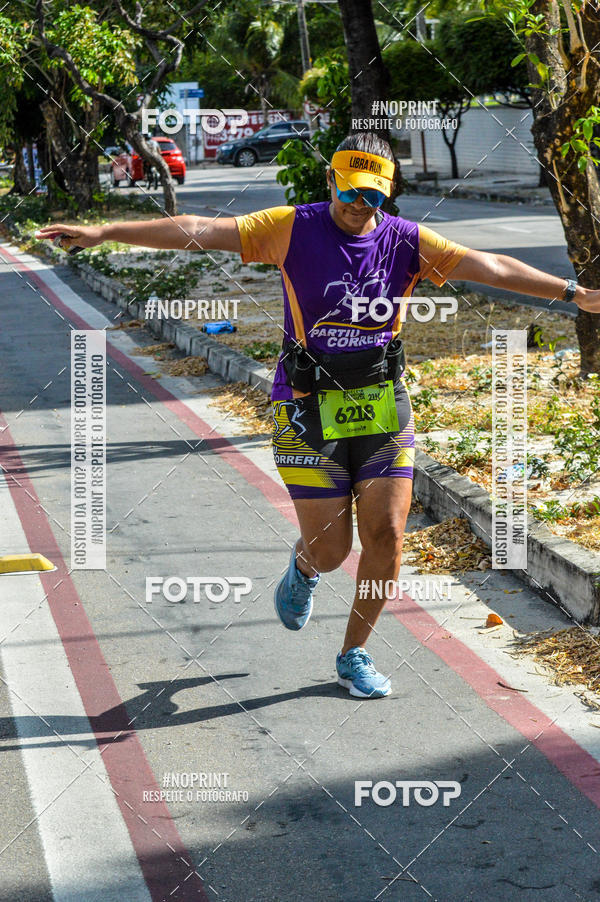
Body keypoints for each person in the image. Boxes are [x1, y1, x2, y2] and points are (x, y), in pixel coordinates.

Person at [37, 131, 600, 700]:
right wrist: (105, 230)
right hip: (304, 410)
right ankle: (304, 568)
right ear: (331, 181)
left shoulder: (406, 241)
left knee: (387, 535)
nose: (361, 206)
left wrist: (572, 292)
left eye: (374, 196)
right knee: (333, 551)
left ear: (390, 193)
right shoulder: (290, 227)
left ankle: (354, 653)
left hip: (383, 407)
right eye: (351, 192)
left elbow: (491, 267)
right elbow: (198, 231)